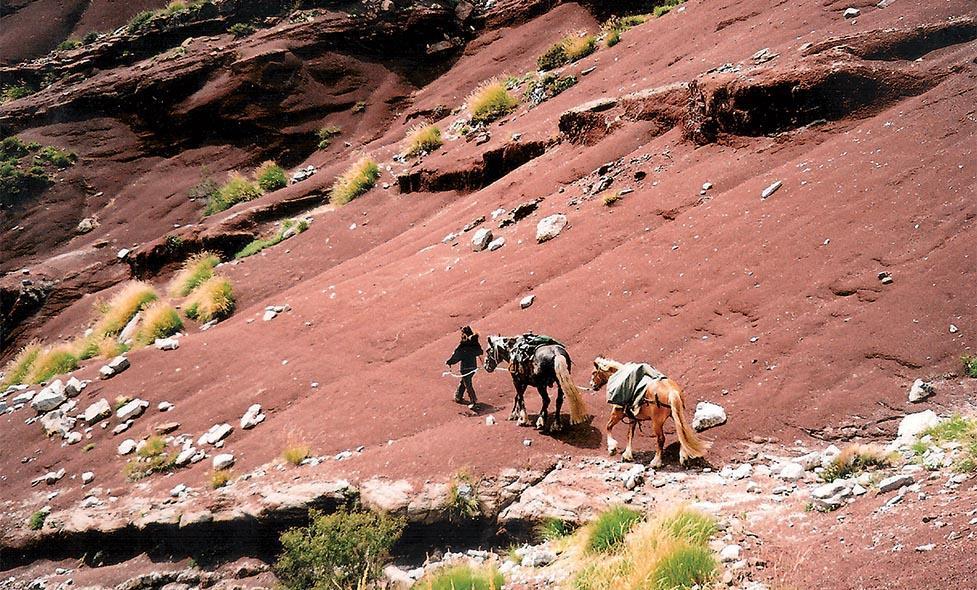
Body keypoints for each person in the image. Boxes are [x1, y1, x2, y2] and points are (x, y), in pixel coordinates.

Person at [446, 325, 482, 406]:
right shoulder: (474, 343)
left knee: (467, 384)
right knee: (464, 381)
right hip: (473, 367)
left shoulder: (464, 344)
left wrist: (450, 362)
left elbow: (457, 355)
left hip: (466, 368)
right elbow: (480, 352)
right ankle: (458, 396)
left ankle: (473, 400)